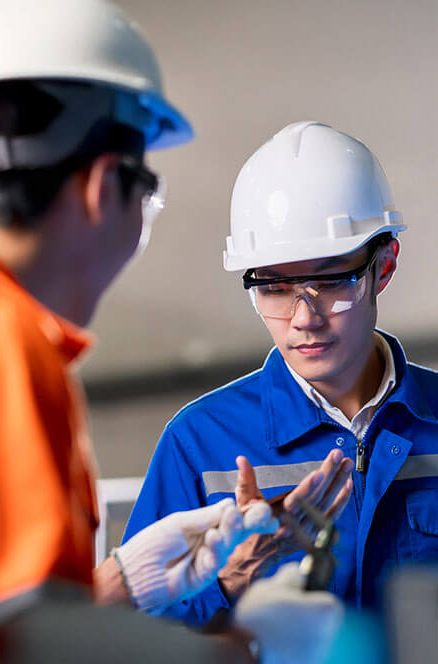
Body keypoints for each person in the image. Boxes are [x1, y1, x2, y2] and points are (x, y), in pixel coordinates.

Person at [0, 0, 343, 664]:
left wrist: (123, 580)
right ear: (105, 186)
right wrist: (247, 648)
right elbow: (6, 641)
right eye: (147, 198)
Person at [123, 120, 438, 625]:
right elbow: (137, 638)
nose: (303, 319)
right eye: (273, 289)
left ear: (384, 266)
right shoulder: (199, 444)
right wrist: (227, 584)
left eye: (331, 282)